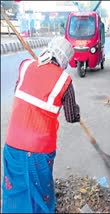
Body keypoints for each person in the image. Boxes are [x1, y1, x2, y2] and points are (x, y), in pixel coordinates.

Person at [1, 37, 80, 213]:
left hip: (12, 144)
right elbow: (71, 117)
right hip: (38, 151)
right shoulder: (64, 81)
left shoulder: (26, 65)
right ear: (65, 60)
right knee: (39, 195)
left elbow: (18, 91)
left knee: (15, 191)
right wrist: (75, 109)